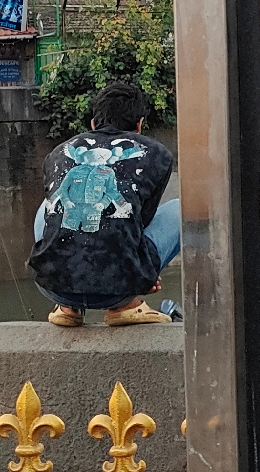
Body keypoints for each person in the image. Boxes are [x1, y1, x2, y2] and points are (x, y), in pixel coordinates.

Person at [28, 80, 178, 326]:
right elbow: (140, 222)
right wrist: (144, 272)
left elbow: (58, 201)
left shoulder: (58, 153)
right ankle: (126, 306)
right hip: (121, 289)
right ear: (139, 124)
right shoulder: (157, 154)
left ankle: (68, 308)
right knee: (180, 208)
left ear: (93, 123)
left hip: (54, 286)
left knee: (48, 208)